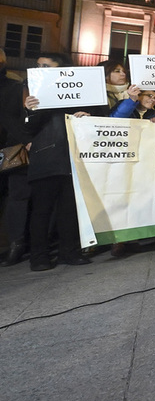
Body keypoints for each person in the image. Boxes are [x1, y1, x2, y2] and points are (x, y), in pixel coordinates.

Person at [23, 53, 105, 270]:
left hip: (74, 158)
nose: (40, 68)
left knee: (70, 209)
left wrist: (88, 114)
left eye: (46, 66)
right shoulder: (32, 92)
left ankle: (70, 252)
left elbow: (99, 117)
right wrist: (30, 110)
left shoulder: (82, 93)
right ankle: (38, 257)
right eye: (38, 65)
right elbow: (27, 128)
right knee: (42, 210)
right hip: (46, 157)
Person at [0, 49, 30, 267]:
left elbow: (11, 118)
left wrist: (25, 140)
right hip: (12, 148)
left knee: (15, 198)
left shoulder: (13, 86)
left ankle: (14, 244)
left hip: (11, 151)